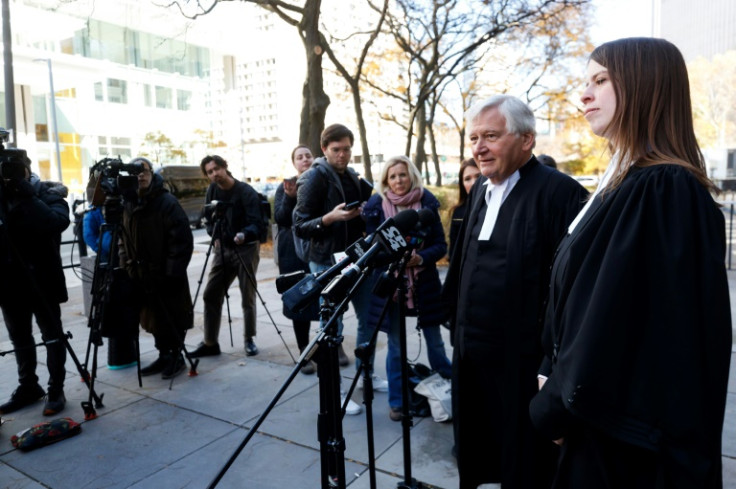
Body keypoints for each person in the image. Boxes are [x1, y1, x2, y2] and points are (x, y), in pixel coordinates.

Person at [529, 37, 732, 489]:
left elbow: (612, 321)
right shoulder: (626, 183)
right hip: (599, 429)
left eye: (600, 80)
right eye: (586, 81)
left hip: (624, 447)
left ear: (644, 86)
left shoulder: (665, 188)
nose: (584, 94)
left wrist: (555, 405)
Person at [442, 94, 588, 489]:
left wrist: (553, 367)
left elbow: (574, 289)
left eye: (490, 135)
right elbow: (463, 264)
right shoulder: (480, 191)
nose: (479, 148)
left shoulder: (562, 194)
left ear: (526, 139)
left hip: (523, 363)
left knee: (525, 461)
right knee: (477, 448)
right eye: (474, 138)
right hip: (472, 353)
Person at [292, 123, 381, 415]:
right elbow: (299, 226)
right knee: (332, 327)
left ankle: (366, 375)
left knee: (369, 316)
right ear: (324, 149)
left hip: (356, 258)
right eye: (336, 150)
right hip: (326, 261)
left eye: (347, 149)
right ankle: (335, 389)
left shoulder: (352, 175)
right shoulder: (313, 178)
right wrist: (329, 218)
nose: (343, 155)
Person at [362, 155, 452, 421]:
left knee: (435, 342)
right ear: (385, 180)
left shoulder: (426, 203)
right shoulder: (377, 206)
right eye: (392, 176)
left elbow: (440, 245)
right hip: (393, 286)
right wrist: (397, 261)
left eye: (402, 175)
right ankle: (397, 402)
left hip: (425, 284)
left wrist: (420, 258)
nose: (398, 180)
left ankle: (450, 390)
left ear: (411, 175)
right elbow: (371, 249)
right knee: (395, 347)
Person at [0, 156, 70, 416]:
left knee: (52, 336)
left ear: (28, 169)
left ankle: (56, 389)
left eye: (16, 169)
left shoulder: (46, 192)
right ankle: (28, 386)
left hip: (42, 281)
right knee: (19, 338)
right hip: (9, 284)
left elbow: (57, 223)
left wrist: (27, 196)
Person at [119, 157, 194, 379]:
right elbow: (122, 238)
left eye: (144, 171)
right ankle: (164, 356)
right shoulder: (129, 203)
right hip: (140, 275)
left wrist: (171, 273)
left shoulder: (166, 201)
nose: (140, 175)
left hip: (166, 275)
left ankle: (176, 357)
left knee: (172, 316)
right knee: (152, 319)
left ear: (152, 174)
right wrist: (126, 266)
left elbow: (181, 241)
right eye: (135, 172)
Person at [190, 155, 264, 358]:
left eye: (216, 169)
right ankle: (210, 342)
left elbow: (257, 223)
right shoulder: (212, 190)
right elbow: (207, 218)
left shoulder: (245, 191)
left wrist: (244, 234)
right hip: (223, 250)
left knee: (247, 295)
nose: (214, 174)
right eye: (210, 172)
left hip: (245, 248)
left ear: (225, 167)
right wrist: (213, 236)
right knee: (210, 294)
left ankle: (249, 338)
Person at [274, 144, 317, 374]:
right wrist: (289, 198)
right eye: (299, 157)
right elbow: (280, 218)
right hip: (292, 253)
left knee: (327, 297)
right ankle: (305, 351)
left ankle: (333, 345)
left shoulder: (322, 179)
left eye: (308, 155)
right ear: (294, 163)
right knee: (299, 301)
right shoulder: (286, 186)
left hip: (318, 249)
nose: (304, 159)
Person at [448, 158, 480, 260]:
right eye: (467, 179)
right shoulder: (458, 212)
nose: (473, 182)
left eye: (478, 176)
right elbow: (454, 253)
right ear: (462, 184)